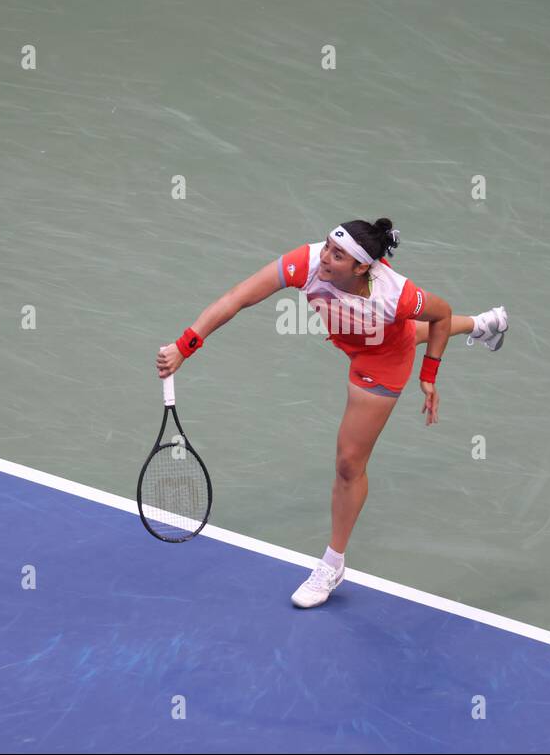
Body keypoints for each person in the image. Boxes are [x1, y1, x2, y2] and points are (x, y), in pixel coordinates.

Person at [155, 218, 508, 608]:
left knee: (348, 464)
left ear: (361, 268)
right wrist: (184, 346)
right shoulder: (306, 263)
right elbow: (238, 297)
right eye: (326, 246)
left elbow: (440, 315)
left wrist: (428, 376)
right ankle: (485, 323)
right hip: (364, 335)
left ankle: (332, 565)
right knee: (405, 332)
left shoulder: (396, 295)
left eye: (337, 255)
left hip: (381, 361)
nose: (324, 257)